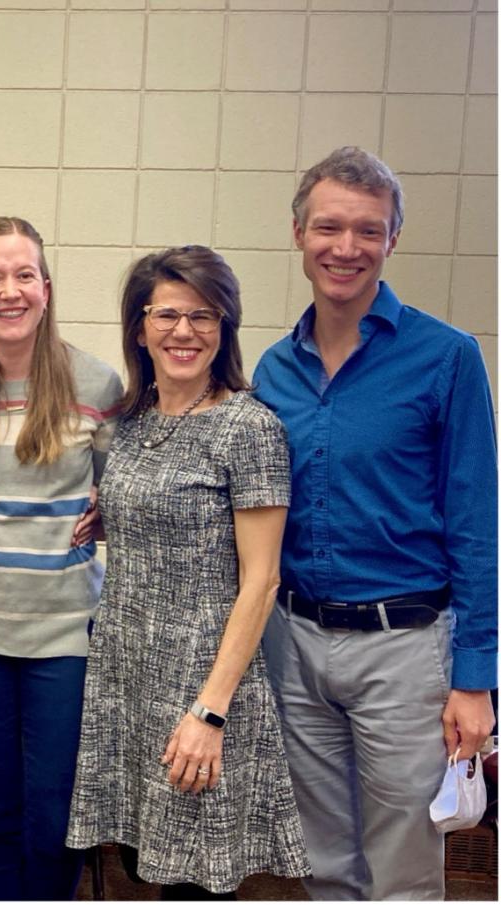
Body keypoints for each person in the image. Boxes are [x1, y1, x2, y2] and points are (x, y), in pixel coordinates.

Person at [254, 147, 497, 900]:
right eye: (329, 227)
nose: (346, 247)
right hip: (296, 643)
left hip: (406, 651)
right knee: (324, 861)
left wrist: (477, 678)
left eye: (369, 230)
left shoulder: (447, 358)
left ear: (394, 239)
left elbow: (477, 524)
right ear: (298, 233)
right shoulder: (272, 370)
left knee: (403, 870)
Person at [65, 245, 310, 898]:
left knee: (197, 874)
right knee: (144, 861)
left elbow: (260, 580)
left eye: (203, 316)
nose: (184, 331)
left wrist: (210, 710)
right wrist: (110, 513)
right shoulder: (134, 422)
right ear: (140, 327)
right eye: (167, 314)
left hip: (202, 677)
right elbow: (172, 515)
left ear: (225, 326)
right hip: (128, 670)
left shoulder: (249, 428)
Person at [0, 216, 123, 899]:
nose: (10, 290)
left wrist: (107, 515)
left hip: (64, 633)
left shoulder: (96, 384)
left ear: (45, 287)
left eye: (24, 274)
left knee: (53, 814)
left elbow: (118, 493)